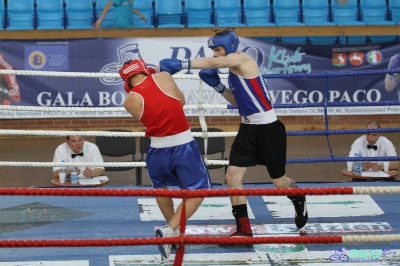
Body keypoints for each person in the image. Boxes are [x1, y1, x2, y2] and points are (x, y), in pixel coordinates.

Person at [159, 28, 308, 237]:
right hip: (248, 129)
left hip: (268, 129)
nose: (215, 54)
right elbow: (238, 103)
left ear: (230, 46)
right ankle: (244, 229)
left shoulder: (242, 59)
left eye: (218, 49)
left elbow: (212, 64)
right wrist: (218, 86)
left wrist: (183, 64)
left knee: (280, 182)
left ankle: (298, 196)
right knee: (232, 177)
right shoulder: (233, 71)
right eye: (213, 50)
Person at [119, 58, 212, 259]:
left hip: (156, 150)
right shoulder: (164, 76)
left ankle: (175, 237)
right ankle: (170, 229)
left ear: (126, 81)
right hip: (183, 146)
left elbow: (153, 112)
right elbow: (182, 102)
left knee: (161, 189)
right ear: (145, 69)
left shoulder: (129, 101)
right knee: (198, 192)